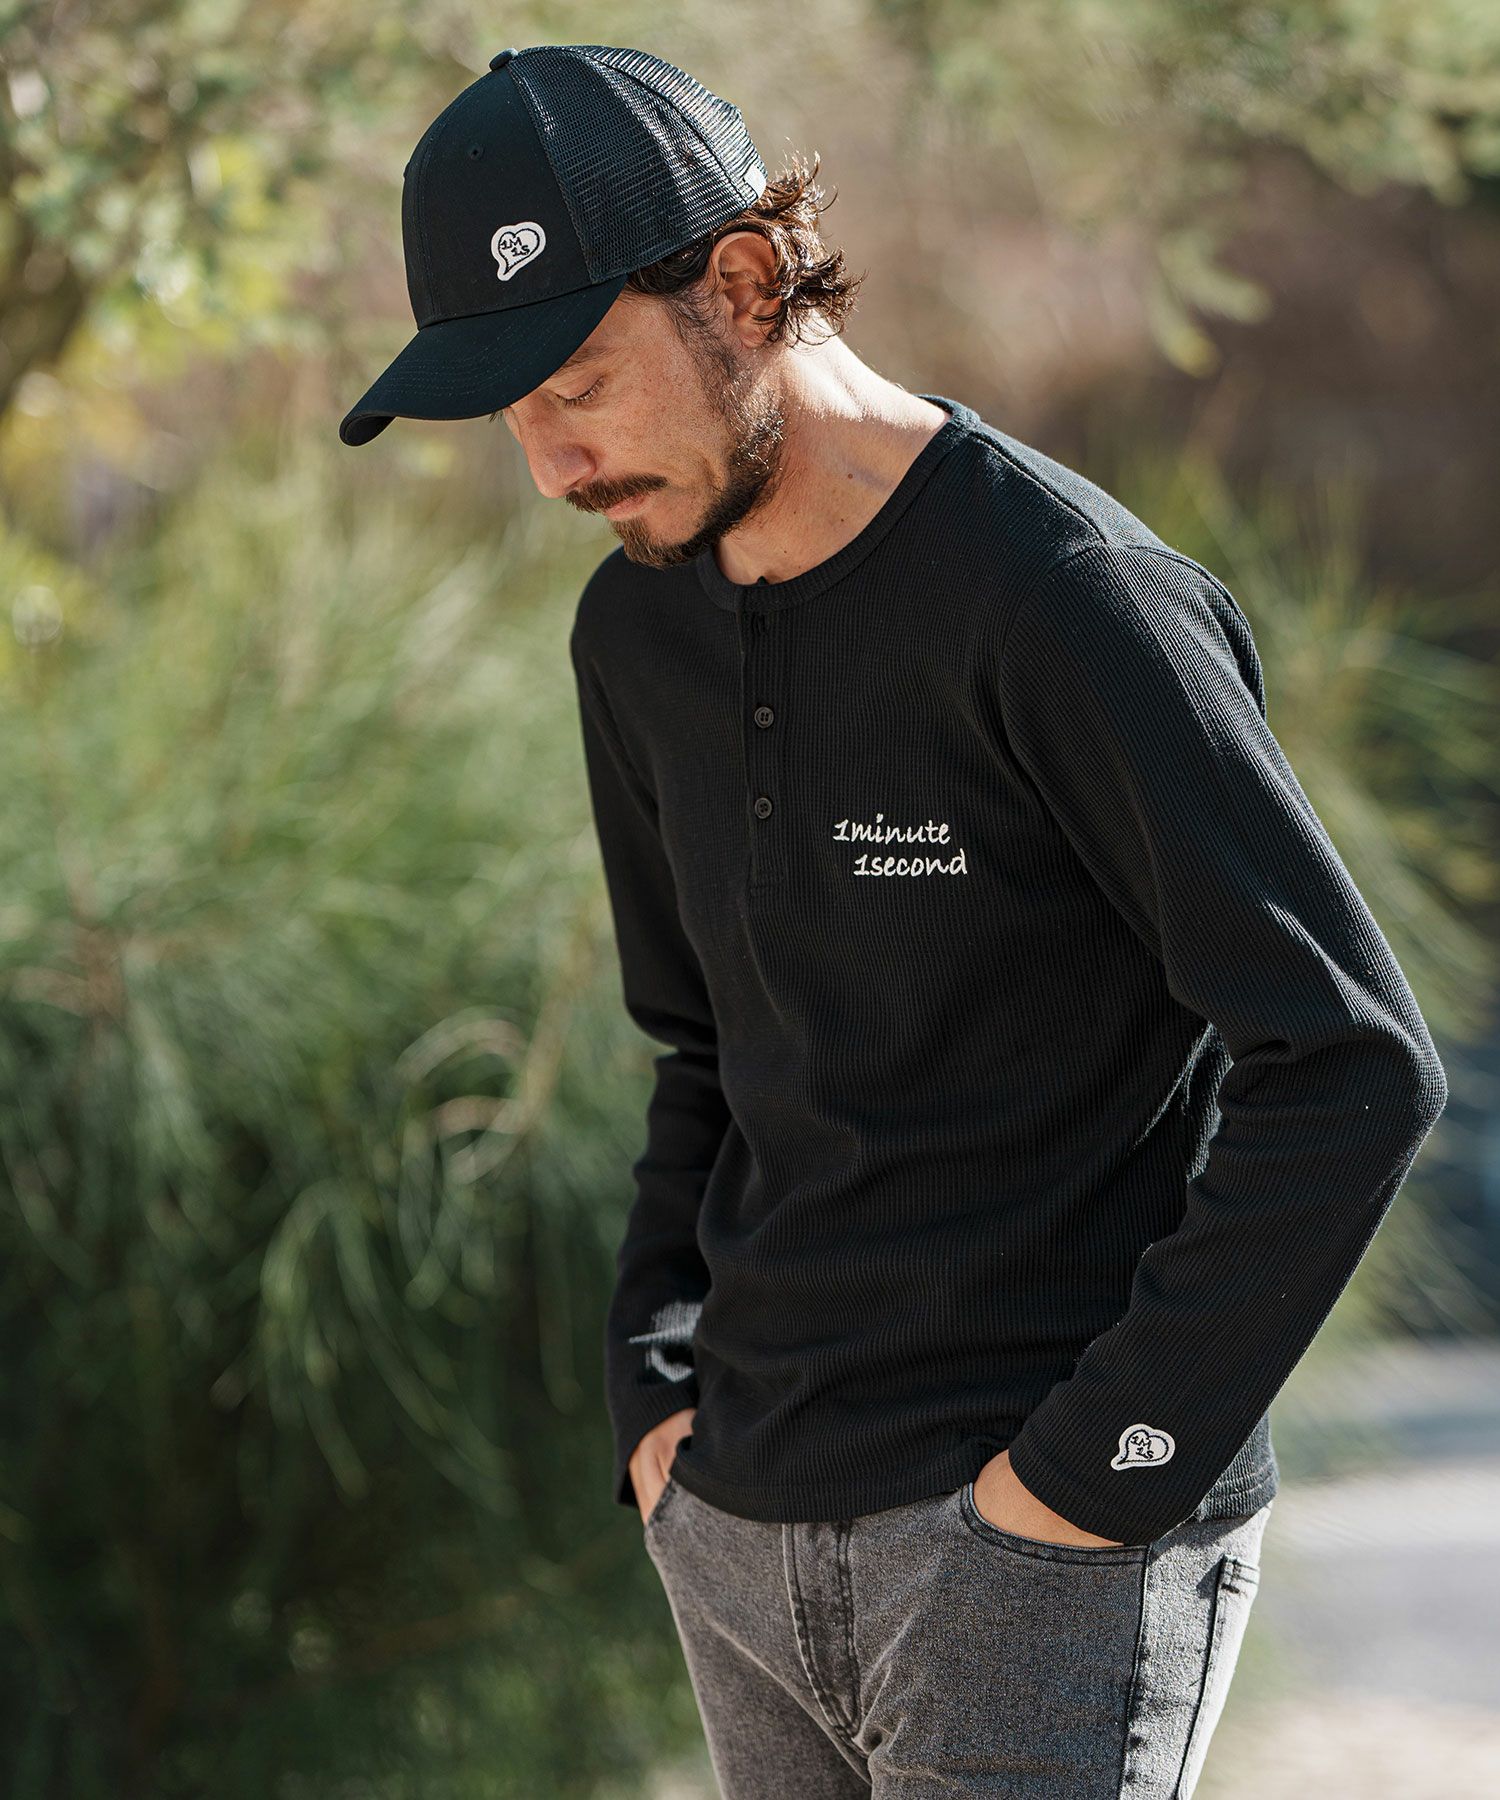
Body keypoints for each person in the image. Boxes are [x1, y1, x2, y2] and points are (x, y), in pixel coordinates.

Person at [339, 44, 1448, 1798]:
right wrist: (654, 1397)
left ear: (744, 285)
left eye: (578, 384)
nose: (552, 465)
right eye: (511, 417)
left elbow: (1350, 1063)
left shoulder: (1069, 600)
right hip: (736, 1524)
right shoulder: (635, 635)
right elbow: (699, 1045)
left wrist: (1097, 1473)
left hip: (1031, 1547)